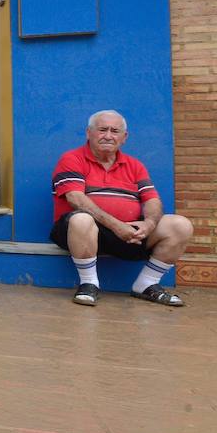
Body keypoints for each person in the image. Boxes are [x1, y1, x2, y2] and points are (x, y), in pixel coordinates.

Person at [49, 110, 191, 307]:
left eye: (115, 131)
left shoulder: (134, 165)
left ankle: (146, 284)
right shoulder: (72, 158)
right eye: (102, 130)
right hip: (83, 233)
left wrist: (149, 224)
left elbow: (152, 200)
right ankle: (89, 283)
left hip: (128, 235)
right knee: (81, 218)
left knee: (180, 225)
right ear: (88, 133)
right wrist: (117, 226)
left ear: (124, 137)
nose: (108, 136)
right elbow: (76, 199)